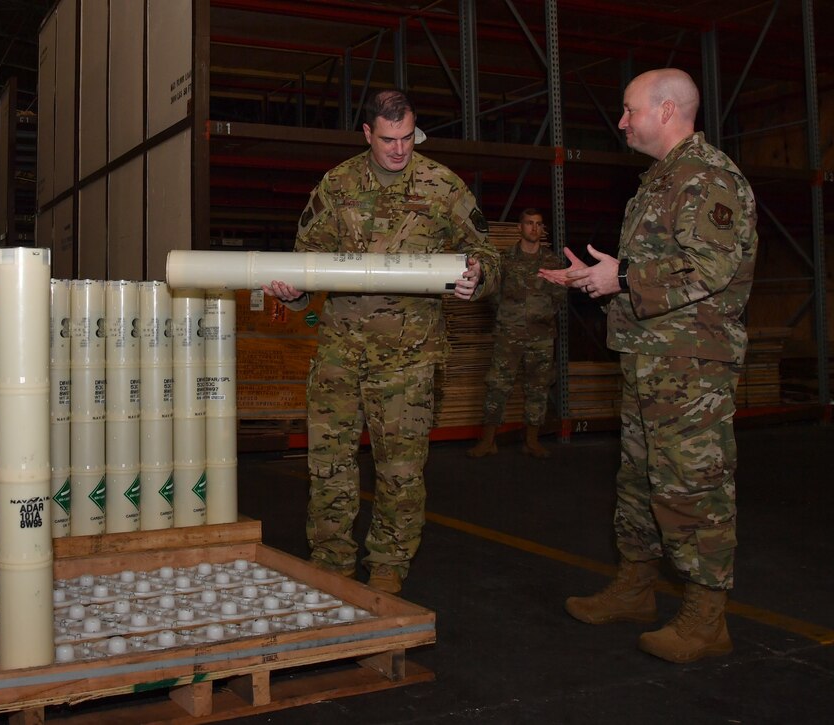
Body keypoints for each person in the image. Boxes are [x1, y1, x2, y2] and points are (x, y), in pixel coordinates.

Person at [539, 68, 756, 663]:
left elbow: (709, 270)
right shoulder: (663, 179)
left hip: (691, 367)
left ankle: (706, 619)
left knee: (693, 488)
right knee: (639, 482)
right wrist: (604, 280)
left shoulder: (708, 177)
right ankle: (636, 589)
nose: (623, 120)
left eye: (630, 109)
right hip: (650, 356)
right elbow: (662, 271)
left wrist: (625, 276)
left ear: (665, 110)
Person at [263, 89, 499, 594]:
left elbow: (486, 253)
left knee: (401, 471)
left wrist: (478, 275)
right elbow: (306, 261)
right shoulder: (337, 185)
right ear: (367, 133)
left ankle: (390, 567)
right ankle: (331, 564)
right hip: (339, 353)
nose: (399, 149)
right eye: (388, 139)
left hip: (410, 358)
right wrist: (294, 291)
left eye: (408, 138)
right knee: (329, 465)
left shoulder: (442, 186)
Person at [467, 208, 566, 459]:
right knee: (497, 385)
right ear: (519, 228)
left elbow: (559, 297)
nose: (535, 228)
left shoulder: (552, 262)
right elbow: (493, 295)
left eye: (539, 224)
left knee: (538, 387)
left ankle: (531, 441)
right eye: (530, 223)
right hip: (508, 334)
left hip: (541, 336)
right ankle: (488, 441)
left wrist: (540, 315)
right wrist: (508, 316)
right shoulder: (505, 260)